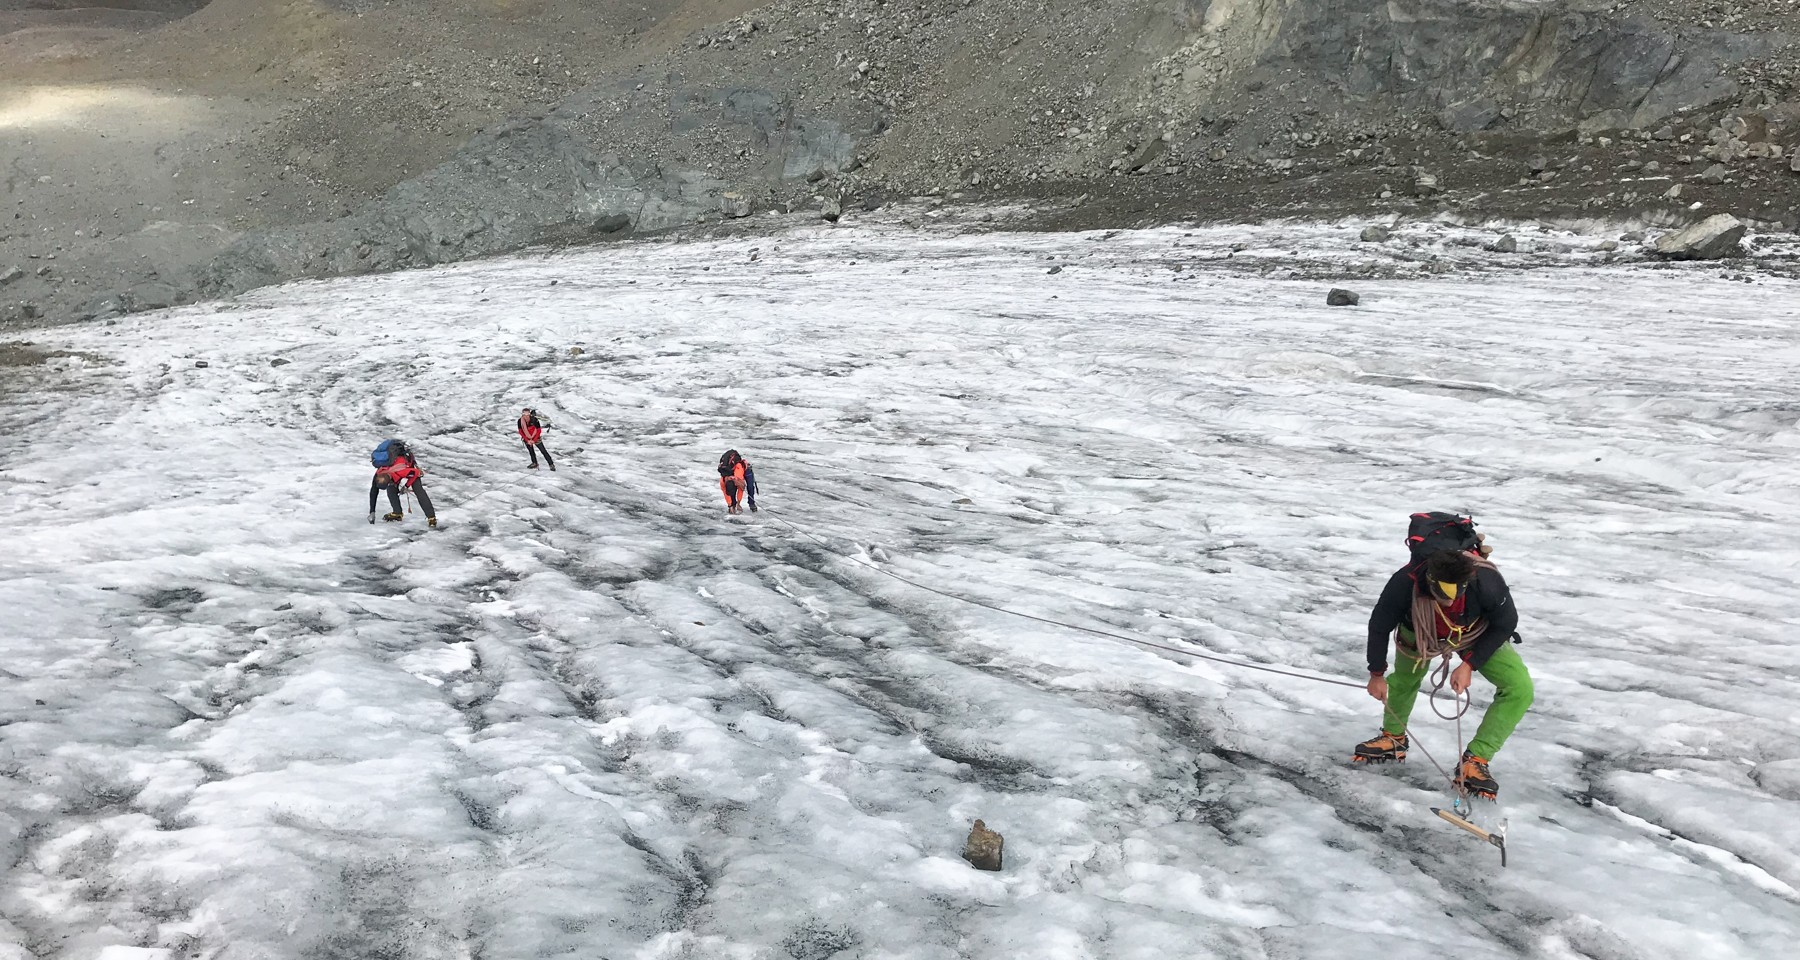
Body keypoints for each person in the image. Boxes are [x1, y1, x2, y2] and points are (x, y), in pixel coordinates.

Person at [1353, 548, 1530, 798]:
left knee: (1520, 689)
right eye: (1442, 596)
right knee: (1405, 679)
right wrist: (1376, 673)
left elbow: (1506, 623)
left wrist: (1469, 664)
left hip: (1476, 632)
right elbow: (1380, 625)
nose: (1448, 602)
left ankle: (1476, 760)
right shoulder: (1405, 583)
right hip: (1420, 630)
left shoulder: (1487, 584)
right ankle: (1393, 737)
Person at [368, 439, 438, 528]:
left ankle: (431, 518)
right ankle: (397, 513)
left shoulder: (402, 471)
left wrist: (406, 486)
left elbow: (417, 473)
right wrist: (372, 512)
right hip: (394, 468)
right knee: (391, 489)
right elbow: (373, 492)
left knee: (418, 490)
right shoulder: (379, 473)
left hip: (409, 466)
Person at [717, 449, 758, 514]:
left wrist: (738, 503)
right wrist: (729, 505)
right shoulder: (723, 480)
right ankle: (733, 504)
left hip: (746, 470)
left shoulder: (738, 470)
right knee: (731, 490)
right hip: (733, 475)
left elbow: (741, 488)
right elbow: (725, 492)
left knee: (750, 487)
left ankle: (751, 503)